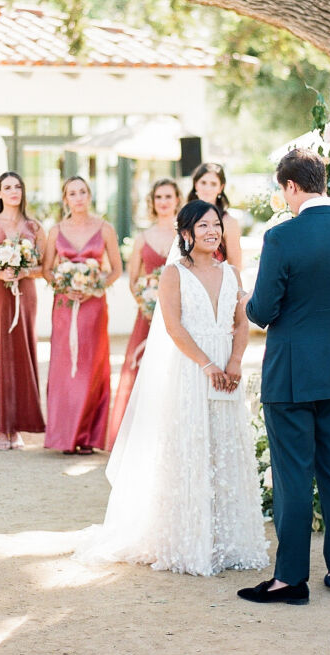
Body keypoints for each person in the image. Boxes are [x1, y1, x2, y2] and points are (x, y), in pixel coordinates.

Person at [75, 200, 267, 576]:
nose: (212, 231)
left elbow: (241, 324)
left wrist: (232, 363)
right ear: (186, 234)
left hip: (225, 373)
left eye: (216, 225)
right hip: (191, 371)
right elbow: (173, 327)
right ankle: (187, 540)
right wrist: (208, 364)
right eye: (203, 226)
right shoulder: (174, 274)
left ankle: (229, 541)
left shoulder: (232, 274)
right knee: (191, 448)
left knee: (224, 448)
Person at [239, 148, 330, 605]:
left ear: (291, 187)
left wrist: (249, 305)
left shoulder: (282, 237)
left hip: (291, 374)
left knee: (293, 476)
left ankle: (290, 580)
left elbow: (261, 311)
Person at [42, 176, 122, 453]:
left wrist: (93, 287)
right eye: (72, 193)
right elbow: (47, 269)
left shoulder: (105, 228)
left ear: (90, 195)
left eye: (83, 192)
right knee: (64, 368)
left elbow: (116, 270)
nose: (78, 197)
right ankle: (64, 436)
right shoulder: (55, 230)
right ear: (65, 199)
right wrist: (64, 285)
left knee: (91, 366)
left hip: (93, 306)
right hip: (64, 306)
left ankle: (87, 436)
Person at [105, 177, 180, 450]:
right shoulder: (142, 238)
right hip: (147, 316)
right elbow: (134, 279)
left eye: (168, 196)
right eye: (158, 197)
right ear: (152, 202)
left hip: (177, 317)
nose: (163, 202)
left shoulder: (185, 235)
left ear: (177, 200)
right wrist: (147, 303)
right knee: (140, 372)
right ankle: (136, 437)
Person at [0, 171, 47, 450]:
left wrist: (24, 269)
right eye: (7, 187)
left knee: (22, 352)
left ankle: (17, 426)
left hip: (25, 293)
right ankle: (0, 428)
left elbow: (44, 267)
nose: (13, 191)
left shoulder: (35, 226)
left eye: (18, 186)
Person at [186, 162, 242, 269]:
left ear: (220, 188)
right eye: (203, 182)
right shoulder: (184, 218)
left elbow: (236, 266)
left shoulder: (228, 222)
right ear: (195, 184)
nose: (207, 188)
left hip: (216, 283)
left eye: (213, 184)